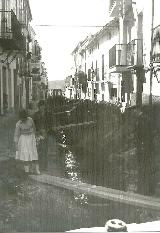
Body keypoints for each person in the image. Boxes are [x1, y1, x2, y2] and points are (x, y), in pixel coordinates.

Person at [14, 109, 40, 175]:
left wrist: (36, 138)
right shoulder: (18, 123)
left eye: (25, 118)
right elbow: (16, 135)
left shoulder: (30, 120)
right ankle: (27, 172)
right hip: (24, 139)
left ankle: (36, 170)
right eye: (22, 118)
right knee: (25, 155)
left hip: (31, 138)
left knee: (34, 154)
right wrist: (16, 144)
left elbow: (34, 129)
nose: (24, 119)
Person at [33, 100, 50, 171]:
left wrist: (46, 130)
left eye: (43, 106)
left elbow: (50, 124)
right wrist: (37, 131)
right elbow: (33, 125)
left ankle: (45, 166)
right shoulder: (35, 115)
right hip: (38, 134)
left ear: (45, 107)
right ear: (38, 107)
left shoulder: (48, 114)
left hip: (46, 134)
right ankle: (39, 166)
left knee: (45, 150)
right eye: (40, 106)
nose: (42, 108)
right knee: (38, 150)